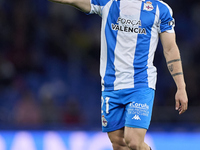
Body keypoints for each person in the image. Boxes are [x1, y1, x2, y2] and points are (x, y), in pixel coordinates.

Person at [48, 0, 188, 149]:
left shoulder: (160, 9)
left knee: (133, 141)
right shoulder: (108, 2)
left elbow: (170, 49)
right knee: (119, 143)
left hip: (140, 83)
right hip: (111, 85)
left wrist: (181, 87)